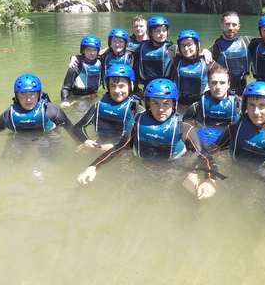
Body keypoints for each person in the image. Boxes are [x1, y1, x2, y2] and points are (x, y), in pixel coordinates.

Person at [76, 78, 218, 200]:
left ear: (174, 104)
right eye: (155, 103)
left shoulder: (185, 129)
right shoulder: (137, 126)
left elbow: (205, 156)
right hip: (143, 169)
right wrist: (93, 167)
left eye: (166, 103)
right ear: (148, 104)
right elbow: (117, 149)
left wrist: (210, 180)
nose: (160, 109)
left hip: (175, 171)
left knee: (191, 190)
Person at [210, 81, 265, 211]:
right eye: (252, 105)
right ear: (245, 106)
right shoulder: (234, 129)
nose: (256, 112)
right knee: (228, 208)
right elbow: (211, 150)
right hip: (237, 173)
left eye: (262, 105)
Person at [0, 74, 74, 163]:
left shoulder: (51, 111)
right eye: (23, 94)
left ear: (39, 94)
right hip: (20, 139)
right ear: (17, 96)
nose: (28, 99)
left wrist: (81, 143)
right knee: (9, 160)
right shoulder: (8, 115)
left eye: (32, 94)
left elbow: (69, 127)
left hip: (48, 136)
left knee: (59, 157)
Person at [72, 64, 141, 152]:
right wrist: (86, 140)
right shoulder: (99, 105)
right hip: (100, 145)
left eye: (121, 86)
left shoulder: (137, 110)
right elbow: (78, 127)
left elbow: (140, 139)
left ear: (130, 86)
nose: (116, 91)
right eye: (113, 86)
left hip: (122, 149)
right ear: (108, 86)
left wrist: (115, 146)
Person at [183, 65, 241, 145]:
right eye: (214, 83)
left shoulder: (238, 106)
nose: (218, 87)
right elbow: (183, 124)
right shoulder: (198, 105)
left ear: (229, 85)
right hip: (203, 143)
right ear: (208, 84)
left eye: (222, 83)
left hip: (227, 145)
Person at [208, 11, 252, 94]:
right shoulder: (215, 48)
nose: (231, 28)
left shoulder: (247, 42)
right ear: (222, 26)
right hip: (223, 92)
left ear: (239, 27)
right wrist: (205, 51)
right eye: (227, 24)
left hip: (244, 90)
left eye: (234, 24)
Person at [170, 30, 209, 107]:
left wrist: (206, 51)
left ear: (197, 46)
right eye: (183, 45)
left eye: (189, 45)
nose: (186, 49)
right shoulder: (176, 62)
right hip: (180, 105)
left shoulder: (207, 62)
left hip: (199, 106)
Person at [60, 35, 103, 107]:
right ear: (83, 50)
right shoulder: (76, 65)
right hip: (77, 98)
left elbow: (115, 51)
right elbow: (65, 88)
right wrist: (65, 101)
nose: (92, 53)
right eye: (89, 49)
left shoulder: (100, 62)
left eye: (94, 50)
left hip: (93, 96)